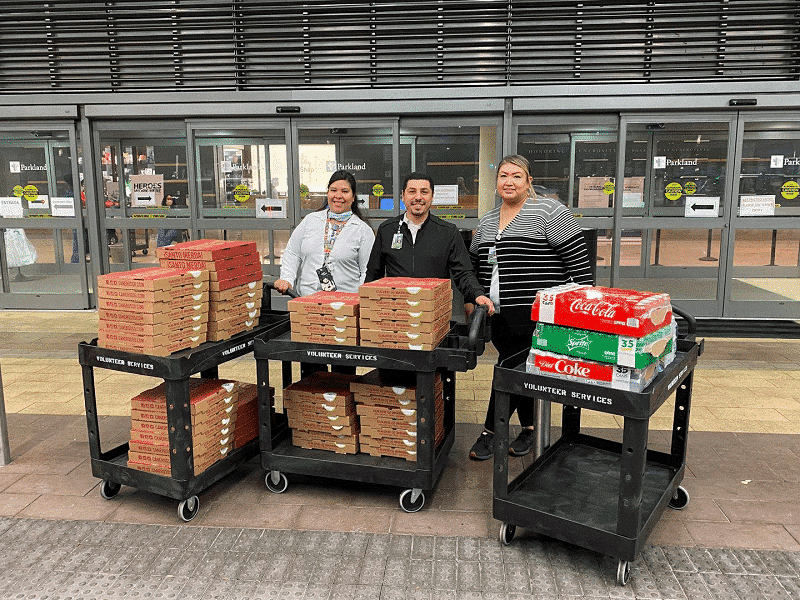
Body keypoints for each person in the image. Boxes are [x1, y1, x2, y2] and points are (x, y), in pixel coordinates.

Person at [468, 155, 594, 461]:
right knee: (521, 368)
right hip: (498, 314)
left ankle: (491, 431)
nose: (509, 182)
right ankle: (530, 429)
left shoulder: (548, 211)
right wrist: (473, 299)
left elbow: (579, 263)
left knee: (508, 369)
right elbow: (474, 263)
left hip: (537, 312)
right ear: (495, 181)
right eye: (503, 176)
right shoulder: (487, 219)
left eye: (516, 176)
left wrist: (582, 308)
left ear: (529, 181)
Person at [365, 172, 494, 316]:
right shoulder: (387, 230)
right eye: (412, 192)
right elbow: (373, 274)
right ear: (403, 196)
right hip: (397, 315)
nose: (418, 197)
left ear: (432, 197)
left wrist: (478, 294)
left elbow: (463, 273)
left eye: (424, 192)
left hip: (434, 314)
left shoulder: (448, 232)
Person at [275, 170, 374, 296]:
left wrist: (358, 300)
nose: (338, 196)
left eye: (345, 191)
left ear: (353, 197)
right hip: (307, 300)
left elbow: (367, 271)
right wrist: (287, 278)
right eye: (333, 190)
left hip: (344, 305)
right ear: (327, 193)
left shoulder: (362, 230)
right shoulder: (311, 220)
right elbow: (292, 252)